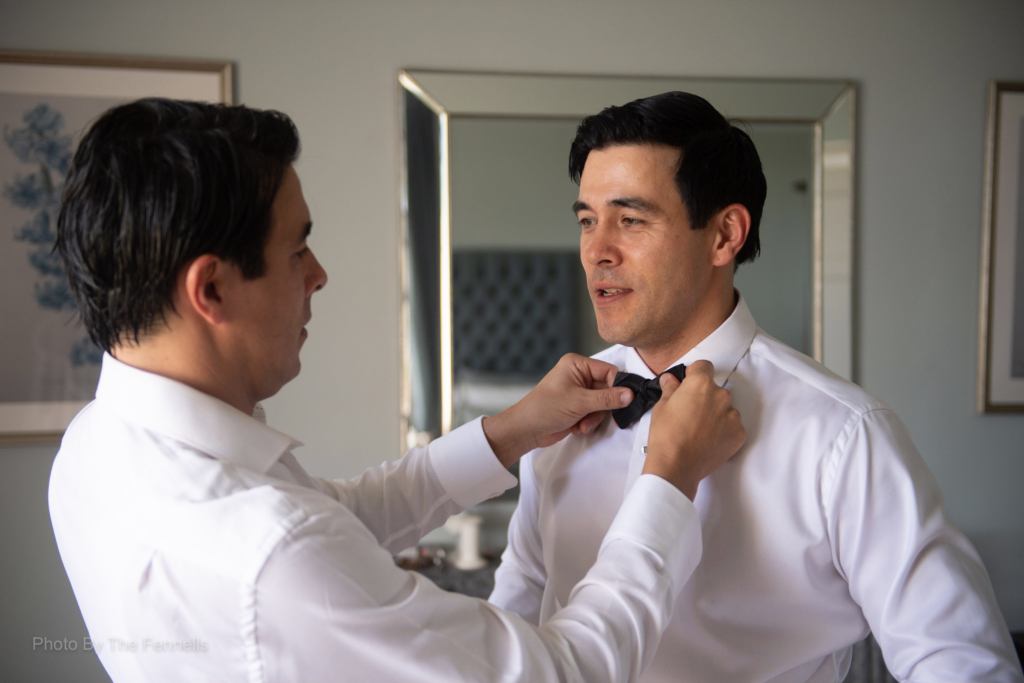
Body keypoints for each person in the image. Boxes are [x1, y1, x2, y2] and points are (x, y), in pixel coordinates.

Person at [48, 97, 746, 683]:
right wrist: (667, 478)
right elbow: (563, 673)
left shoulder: (93, 448)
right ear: (211, 288)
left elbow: (337, 515)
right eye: (297, 251)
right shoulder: (275, 557)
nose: (319, 274)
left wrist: (509, 431)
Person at [488, 91, 1024, 683]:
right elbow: (514, 624)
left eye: (631, 219)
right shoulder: (559, 417)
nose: (596, 251)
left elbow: (966, 666)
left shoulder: (844, 435)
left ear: (725, 235)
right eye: (587, 220)